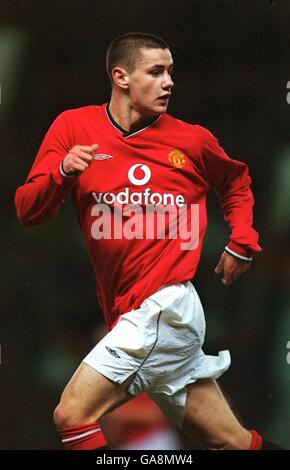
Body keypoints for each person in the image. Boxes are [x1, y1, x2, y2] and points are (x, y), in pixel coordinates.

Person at [15, 32, 282, 450]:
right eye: (156, 72)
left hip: (164, 307)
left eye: (170, 72)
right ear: (120, 77)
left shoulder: (191, 140)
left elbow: (235, 180)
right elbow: (28, 210)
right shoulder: (73, 128)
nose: (169, 82)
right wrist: (62, 173)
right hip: (129, 312)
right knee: (232, 441)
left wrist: (242, 240)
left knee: (71, 415)